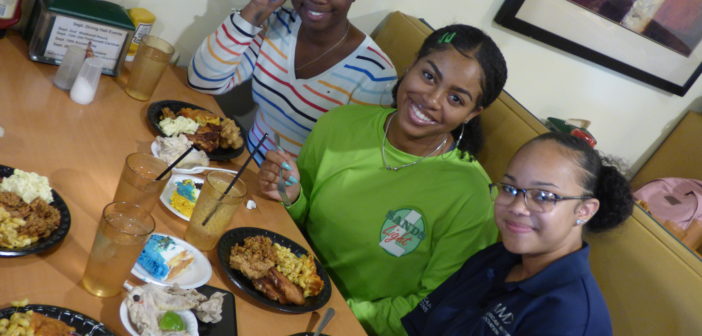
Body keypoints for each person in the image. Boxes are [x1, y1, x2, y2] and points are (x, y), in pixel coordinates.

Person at [258, 25, 508, 335]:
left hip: (348, 325)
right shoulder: (340, 123)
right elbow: (300, 220)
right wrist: (290, 196)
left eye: (456, 98)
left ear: (472, 113)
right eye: (429, 76)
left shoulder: (474, 198)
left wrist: (337, 307)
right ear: (411, 65)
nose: (432, 99)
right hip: (279, 283)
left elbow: (434, 305)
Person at [402, 132, 635, 336]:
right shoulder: (497, 258)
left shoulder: (568, 318)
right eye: (510, 189)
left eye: (543, 196)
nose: (516, 207)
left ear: (584, 210)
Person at [187, 0, 397, 164]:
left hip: (287, 194)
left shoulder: (374, 74)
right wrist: (256, 8)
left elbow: (341, 167)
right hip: (240, 160)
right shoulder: (277, 22)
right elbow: (203, 81)